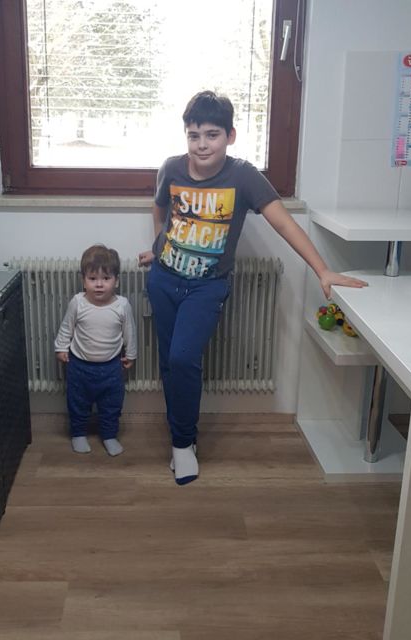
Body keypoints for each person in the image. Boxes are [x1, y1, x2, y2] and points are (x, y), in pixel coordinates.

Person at [138, 90, 367, 486]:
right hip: (164, 280)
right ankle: (180, 439)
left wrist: (323, 270)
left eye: (212, 135)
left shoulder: (242, 176)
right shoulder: (171, 168)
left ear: (230, 135)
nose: (202, 144)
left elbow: (284, 224)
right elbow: (160, 207)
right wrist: (158, 245)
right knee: (169, 362)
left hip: (206, 288)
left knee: (183, 359)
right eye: (194, 135)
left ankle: (183, 442)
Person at [55, 244, 137, 456]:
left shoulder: (122, 305)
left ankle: (109, 435)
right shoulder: (78, 303)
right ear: (84, 281)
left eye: (106, 278)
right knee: (77, 403)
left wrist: (131, 354)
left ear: (116, 281)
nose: (99, 284)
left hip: (111, 368)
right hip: (79, 366)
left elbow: (129, 331)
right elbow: (67, 327)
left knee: (112, 405)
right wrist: (61, 347)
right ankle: (78, 434)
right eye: (92, 279)